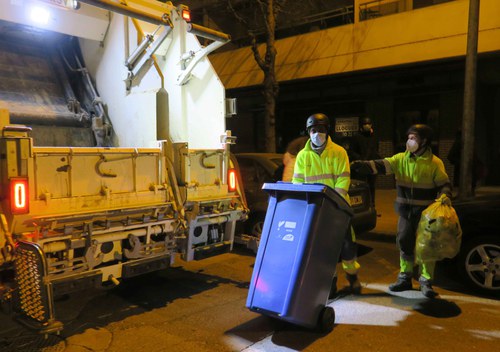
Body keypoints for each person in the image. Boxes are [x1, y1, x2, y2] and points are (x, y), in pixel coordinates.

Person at [351, 124, 451, 298]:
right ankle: (405, 278)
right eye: (409, 137)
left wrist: (445, 195)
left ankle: (426, 282)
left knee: (426, 248)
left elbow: (444, 184)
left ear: (424, 141)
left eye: (414, 138)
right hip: (405, 213)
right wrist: (356, 165)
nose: (409, 141)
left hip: (426, 215)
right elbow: (379, 165)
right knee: (404, 243)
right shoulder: (400, 159)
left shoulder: (435, 163)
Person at [292, 113, 361, 297]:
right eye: (314, 130)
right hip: (315, 210)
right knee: (323, 250)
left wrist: (334, 203)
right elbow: (297, 182)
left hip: (338, 208)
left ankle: (353, 278)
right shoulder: (302, 156)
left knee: (347, 246)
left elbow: (343, 179)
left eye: (321, 130)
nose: (317, 134)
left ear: (327, 131)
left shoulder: (339, 152)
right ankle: (329, 283)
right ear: (308, 132)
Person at [349, 117, 380, 207]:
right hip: (361, 166)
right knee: (362, 186)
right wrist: (359, 158)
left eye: (369, 124)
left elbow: (375, 149)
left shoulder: (374, 137)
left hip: (372, 165)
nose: (367, 126)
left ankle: (372, 204)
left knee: (372, 186)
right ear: (361, 126)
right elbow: (351, 151)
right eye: (365, 124)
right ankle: (363, 204)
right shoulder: (356, 137)